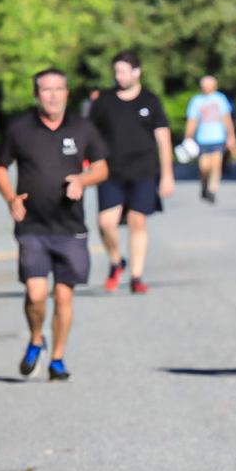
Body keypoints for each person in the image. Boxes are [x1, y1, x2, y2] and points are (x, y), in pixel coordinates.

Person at [0, 69, 109, 381]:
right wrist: (10, 198)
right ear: (36, 94)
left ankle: (57, 358)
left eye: (59, 89)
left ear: (67, 93)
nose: (53, 95)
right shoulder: (19, 129)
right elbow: (1, 168)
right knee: (35, 294)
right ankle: (35, 339)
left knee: (63, 296)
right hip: (32, 225)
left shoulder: (82, 127)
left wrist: (82, 180)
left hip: (69, 227)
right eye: (47, 90)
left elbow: (101, 167)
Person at [90, 52, 174, 295]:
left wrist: (167, 175)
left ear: (137, 72)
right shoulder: (104, 101)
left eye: (124, 71)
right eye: (116, 71)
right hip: (110, 171)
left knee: (138, 220)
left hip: (144, 170)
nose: (119, 76)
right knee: (106, 223)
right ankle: (117, 261)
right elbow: (89, 134)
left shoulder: (150, 100)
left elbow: (163, 139)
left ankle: (136, 276)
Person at [183, 75, 236, 203]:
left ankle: (212, 190)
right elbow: (192, 120)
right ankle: (204, 184)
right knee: (204, 166)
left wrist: (231, 136)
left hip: (218, 137)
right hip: (202, 138)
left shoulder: (220, 99)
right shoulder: (196, 101)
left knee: (216, 165)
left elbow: (227, 119)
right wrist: (188, 137)